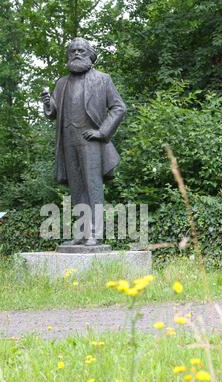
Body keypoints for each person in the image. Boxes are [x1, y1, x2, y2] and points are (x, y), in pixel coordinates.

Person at [42, 37, 126, 246]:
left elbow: (119, 108)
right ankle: (81, 233)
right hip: (68, 140)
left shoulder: (102, 79)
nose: (76, 53)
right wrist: (48, 103)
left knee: (93, 186)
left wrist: (102, 132)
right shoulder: (61, 83)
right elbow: (54, 113)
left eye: (81, 50)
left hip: (91, 142)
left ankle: (95, 234)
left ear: (90, 55)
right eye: (72, 51)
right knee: (77, 188)